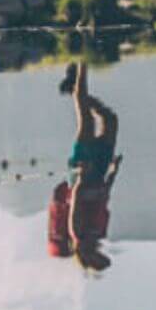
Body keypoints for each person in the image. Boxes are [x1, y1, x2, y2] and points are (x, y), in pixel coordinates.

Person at [47, 62, 122, 273]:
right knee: (110, 120)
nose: (101, 252)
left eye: (99, 256)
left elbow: (76, 200)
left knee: (86, 122)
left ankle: (83, 62)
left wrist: (81, 176)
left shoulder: (77, 233)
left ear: (90, 257)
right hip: (98, 174)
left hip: (84, 173)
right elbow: (104, 199)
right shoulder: (97, 234)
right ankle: (76, 89)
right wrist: (113, 173)